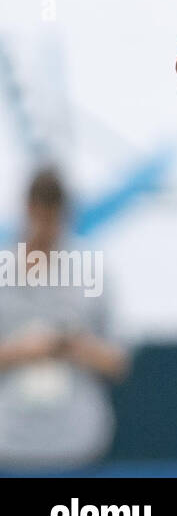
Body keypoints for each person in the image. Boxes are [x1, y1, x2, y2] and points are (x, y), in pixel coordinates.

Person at [0, 168, 130, 469]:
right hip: (9, 437)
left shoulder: (92, 272)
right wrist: (25, 350)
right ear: (28, 209)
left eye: (54, 214)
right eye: (40, 212)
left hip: (78, 441)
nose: (47, 226)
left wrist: (71, 345)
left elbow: (118, 361)